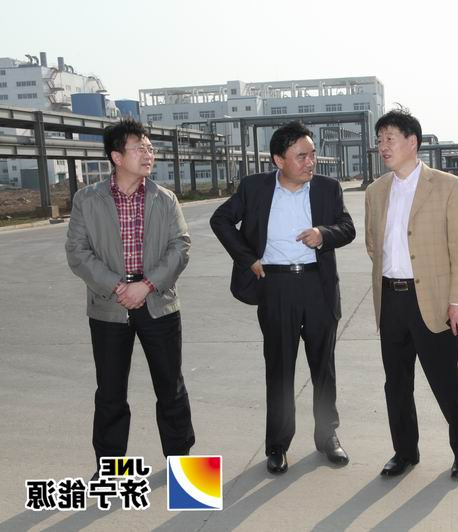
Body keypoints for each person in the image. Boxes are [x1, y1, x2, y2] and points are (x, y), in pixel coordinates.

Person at [210, 121, 355, 474]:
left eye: (312, 154)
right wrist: (248, 258)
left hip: (318, 286)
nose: (310, 162)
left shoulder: (327, 188)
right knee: (279, 368)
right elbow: (221, 220)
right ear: (278, 160)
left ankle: (327, 436)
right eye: (301, 156)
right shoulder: (255, 188)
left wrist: (323, 233)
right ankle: (277, 445)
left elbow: (347, 228)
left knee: (323, 368)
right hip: (275, 286)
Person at [65, 118, 195, 474]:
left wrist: (147, 285)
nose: (148, 154)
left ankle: (183, 468)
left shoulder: (164, 199)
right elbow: (77, 252)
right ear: (117, 157)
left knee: (171, 388)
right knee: (110, 392)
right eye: (139, 148)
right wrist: (117, 286)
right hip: (109, 306)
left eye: (150, 148)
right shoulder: (87, 200)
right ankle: (110, 469)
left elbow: (180, 247)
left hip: (159, 304)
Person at [364, 109, 458, 479]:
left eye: (390, 139)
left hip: (432, 301)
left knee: (445, 381)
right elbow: (373, 245)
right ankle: (404, 452)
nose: (383, 146)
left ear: (412, 142)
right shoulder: (375, 191)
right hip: (390, 299)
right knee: (396, 383)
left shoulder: (446, 186)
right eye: (379, 140)